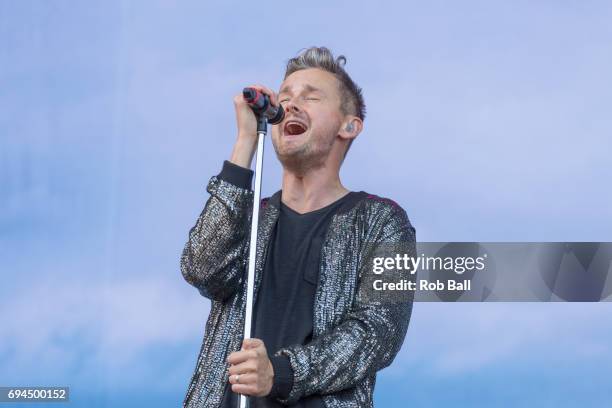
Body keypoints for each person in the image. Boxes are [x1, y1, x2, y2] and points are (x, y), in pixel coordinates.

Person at [180, 46, 416, 407]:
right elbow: (202, 270)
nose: (290, 104)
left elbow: (378, 331)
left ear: (349, 126)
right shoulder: (247, 217)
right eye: (285, 96)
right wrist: (245, 142)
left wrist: (280, 372)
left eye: (311, 96)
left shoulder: (384, 221)